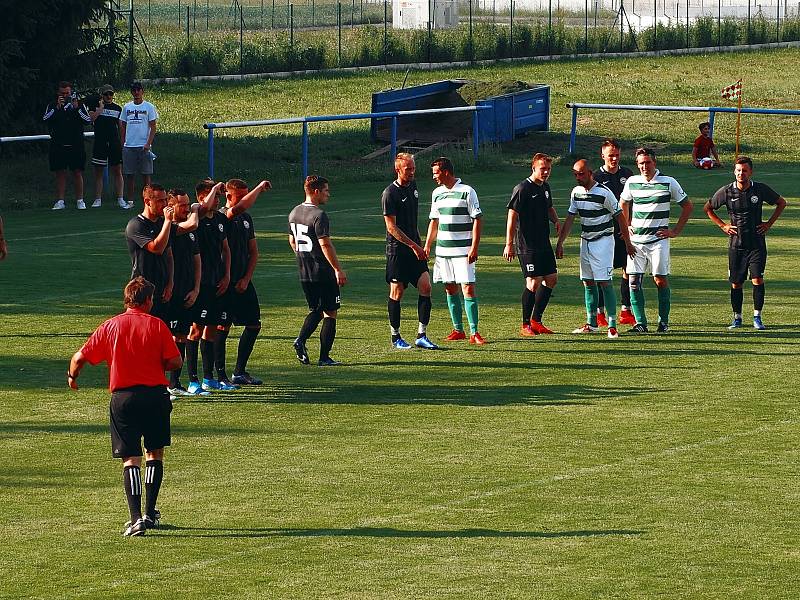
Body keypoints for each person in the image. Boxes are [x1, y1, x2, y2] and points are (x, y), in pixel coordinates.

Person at [67, 276, 182, 536]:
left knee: (131, 459)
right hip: (155, 397)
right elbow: (175, 362)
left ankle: (135, 519)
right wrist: (155, 364)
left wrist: (73, 377)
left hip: (123, 399)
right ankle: (150, 513)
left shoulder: (110, 326)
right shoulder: (157, 325)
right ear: (148, 301)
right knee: (155, 453)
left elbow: (79, 357)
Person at [703, 156, 786, 330]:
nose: (741, 173)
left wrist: (768, 224)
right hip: (736, 244)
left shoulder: (760, 189)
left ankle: (757, 317)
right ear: (734, 172)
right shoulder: (726, 191)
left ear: (751, 172)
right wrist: (723, 225)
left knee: (757, 279)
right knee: (736, 283)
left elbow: (781, 202)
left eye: (745, 170)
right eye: (738, 170)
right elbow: (708, 208)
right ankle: (737, 318)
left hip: (756, 244)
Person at [556, 159, 636, 339]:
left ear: (590, 172)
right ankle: (591, 323)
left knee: (605, 282)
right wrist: (561, 242)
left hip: (604, 241)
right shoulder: (576, 193)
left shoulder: (604, 193)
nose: (578, 177)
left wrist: (628, 243)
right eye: (575, 174)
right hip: (586, 241)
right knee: (587, 281)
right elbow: (570, 218)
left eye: (581, 174)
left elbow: (620, 217)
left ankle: (612, 325)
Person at [620, 147, 693, 333]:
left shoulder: (668, 182)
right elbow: (623, 203)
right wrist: (627, 224)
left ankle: (663, 322)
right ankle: (640, 323)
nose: (645, 166)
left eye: (648, 162)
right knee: (633, 282)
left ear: (655, 162)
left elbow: (687, 206)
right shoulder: (632, 182)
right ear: (637, 164)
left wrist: (675, 231)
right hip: (636, 241)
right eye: (641, 163)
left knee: (659, 280)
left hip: (658, 240)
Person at [213, 178, 271, 386]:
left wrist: (246, 278)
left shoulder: (246, 218)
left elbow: (253, 252)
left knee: (254, 324)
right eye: (241, 196)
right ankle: (219, 375)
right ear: (228, 197)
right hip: (224, 282)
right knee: (222, 326)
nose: (246, 199)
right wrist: (258, 189)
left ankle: (239, 371)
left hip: (243, 281)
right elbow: (238, 209)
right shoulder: (222, 216)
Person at [424, 157, 485, 345]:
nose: (433, 176)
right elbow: (434, 221)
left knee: (467, 287)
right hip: (443, 251)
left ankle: (474, 332)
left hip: (463, 250)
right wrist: (427, 245)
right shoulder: (436, 193)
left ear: (446, 172)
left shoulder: (467, 191)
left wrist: (474, 247)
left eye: (436, 172)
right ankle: (458, 329)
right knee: (449, 288)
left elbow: (477, 219)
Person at [381, 153, 438, 350]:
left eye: (413, 168)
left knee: (426, 287)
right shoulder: (390, 193)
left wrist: (420, 244)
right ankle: (395, 337)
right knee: (397, 292)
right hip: (398, 252)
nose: (412, 172)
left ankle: (421, 335)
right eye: (408, 169)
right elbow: (391, 227)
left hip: (415, 249)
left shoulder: (413, 187)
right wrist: (413, 246)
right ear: (398, 170)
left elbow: (412, 222)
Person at [288, 176, 347, 366]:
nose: (328, 194)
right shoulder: (319, 215)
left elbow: (292, 241)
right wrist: (337, 269)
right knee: (330, 312)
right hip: (322, 271)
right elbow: (325, 244)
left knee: (317, 309)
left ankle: (302, 341)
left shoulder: (294, 212)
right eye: (326, 190)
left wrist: (302, 257)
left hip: (305, 272)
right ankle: (322, 356)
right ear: (315, 191)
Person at [504, 153, 562, 336]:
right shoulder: (522, 188)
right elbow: (512, 216)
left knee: (551, 278)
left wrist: (556, 221)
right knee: (533, 281)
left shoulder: (545, 187)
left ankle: (537, 321)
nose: (546, 172)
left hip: (543, 243)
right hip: (526, 244)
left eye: (548, 169)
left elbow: (549, 207)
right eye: (542, 169)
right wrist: (509, 244)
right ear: (533, 168)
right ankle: (525, 324)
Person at [185, 180, 234, 393]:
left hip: (217, 281)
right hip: (201, 283)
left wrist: (227, 275)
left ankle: (209, 377)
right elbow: (203, 208)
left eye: (219, 196)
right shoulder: (196, 213)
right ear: (201, 197)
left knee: (211, 330)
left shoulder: (221, 219)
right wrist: (215, 189)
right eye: (214, 196)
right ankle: (193, 380)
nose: (218, 200)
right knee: (195, 329)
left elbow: (226, 249)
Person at [164, 188, 204, 397]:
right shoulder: (172, 227)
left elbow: (197, 259)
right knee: (168, 338)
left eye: (189, 205)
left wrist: (196, 288)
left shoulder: (189, 233)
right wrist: (197, 209)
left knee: (181, 336)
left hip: (188, 291)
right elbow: (194, 222)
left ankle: (175, 383)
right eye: (183, 205)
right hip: (170, 292)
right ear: (170, 207)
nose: (187, 209)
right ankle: (162, 384)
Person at [593, 138, 636, 326]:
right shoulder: (596, 177)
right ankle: (599, 313)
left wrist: (630, 225)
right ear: (603, 156)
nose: (614, 159)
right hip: (605, 232)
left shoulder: (627, 174)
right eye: (611, 155)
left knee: (628, 270)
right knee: (604, 272)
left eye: (617, 155)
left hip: (624, 231)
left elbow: (632, 202)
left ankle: (626, 310)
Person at [125, 184, 175, 326]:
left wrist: (170, 283)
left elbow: (169, 254)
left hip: (163, 289)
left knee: (164, 331)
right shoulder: (136, 225)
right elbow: (157, 248)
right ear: (147, 202)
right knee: (143, 331)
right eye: (160, 201)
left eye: (165, 200)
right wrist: (168, 221)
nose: (165, 205)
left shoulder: (162, 223)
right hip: (143, 288)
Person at [44, 81, 91, 210]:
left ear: (71, 93)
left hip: (76, 144)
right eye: (62, 93)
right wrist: (57, 108)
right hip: (58, 143)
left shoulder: (79, 105)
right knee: (60, 172)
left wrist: (77, 108)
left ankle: (80, 200)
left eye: (67, 93)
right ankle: (60, 201)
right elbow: (45, 119)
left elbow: (87, 120)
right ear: (58, 93)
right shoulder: (52, 105)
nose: (65, 96)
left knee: (77, 172)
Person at [120, 82, 158, 208]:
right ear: (131, 92)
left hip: (144, 146)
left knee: (146, 175)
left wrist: (148, 143)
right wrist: (123, 143)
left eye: (138, 90)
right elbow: (123, 126)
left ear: (142, 91)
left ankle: (148, 203)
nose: (136, 92)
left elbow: (153, 127)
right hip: (129, 146)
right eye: (134, 90)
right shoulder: (127, 107)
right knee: (129, 175)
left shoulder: (149, 107)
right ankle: (130, 201)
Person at [89, 84, 126, 209]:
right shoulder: (95, 106)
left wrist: (122, 143)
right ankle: (98, 199)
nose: (109, 96)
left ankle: (120, 198)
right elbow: (90, 119)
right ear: (102, 95)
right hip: (100, 142)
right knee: (98, 171)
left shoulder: (118, 108)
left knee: (117, 170)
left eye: (111, 94)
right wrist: (99, 110)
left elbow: (120, 127)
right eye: (106, 94)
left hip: (114, 142)